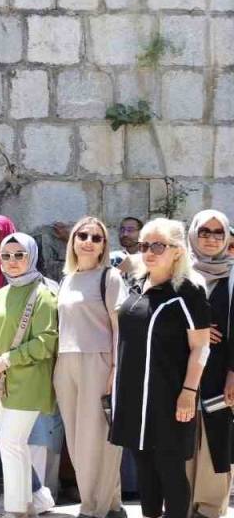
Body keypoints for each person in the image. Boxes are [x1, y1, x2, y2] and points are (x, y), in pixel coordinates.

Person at [110, 218, 209, 518]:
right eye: (144, 246)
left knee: (170, 468)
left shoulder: (188, 291)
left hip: (169, 395)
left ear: (177, 251)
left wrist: (189, 392)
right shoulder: (137, 285)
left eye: (157, 246)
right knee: (144, 468)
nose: (149, 252)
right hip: (132, 394)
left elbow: (201, 347)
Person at [0, 232, 58, 518]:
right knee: (16, 446)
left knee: (7, 443)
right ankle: (25, 507)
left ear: (32, 256)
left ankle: (13, 510)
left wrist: (7, 360)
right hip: (2, 381)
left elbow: (47, 341)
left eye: (19, 255)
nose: (12, 261)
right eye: (6, 256)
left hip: (28, 381)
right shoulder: (1, 293)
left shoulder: (43, 293)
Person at [53, 217, 125, 518]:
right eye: (82, 235)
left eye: (97, 238)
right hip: (65, 362)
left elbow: (120, 327)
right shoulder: (66, 279)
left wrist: (115, 370)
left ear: (104, 245)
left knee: (98, 438)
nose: (88, 241)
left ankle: (93, 507)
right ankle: (110, 504)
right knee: (76, 440)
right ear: (72, 240)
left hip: (98, 360)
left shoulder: (109, 277)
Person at [187, 210, 234, 518]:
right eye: (204, 231)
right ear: (193, 233)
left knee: (217, 437)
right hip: (181, 370)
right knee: (183, 434)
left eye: (219, 233)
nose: (211, 238)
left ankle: (210, 507)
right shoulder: (180, 274)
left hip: (221, 372)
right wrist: (190, 332)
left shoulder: (232, 277)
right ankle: (181, 501)